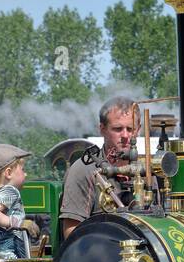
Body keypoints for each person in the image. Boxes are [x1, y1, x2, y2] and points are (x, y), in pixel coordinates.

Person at [59, 96, 138, 238]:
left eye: (130, 129)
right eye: (118, 129)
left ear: (137, 130)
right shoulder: (84, 170)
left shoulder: (147, 172)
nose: (125, 135)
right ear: (102, 129)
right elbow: (72, 234)